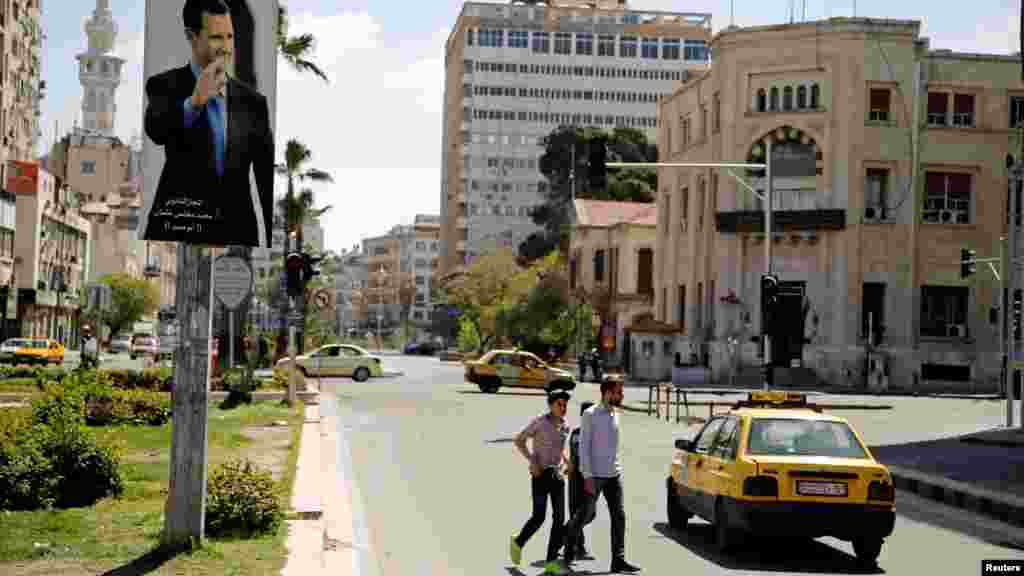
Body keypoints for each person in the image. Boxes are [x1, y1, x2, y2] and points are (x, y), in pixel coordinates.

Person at [142, 0, 274, 247]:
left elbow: (265, 177)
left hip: (236, 231)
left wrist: (267, 238)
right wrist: (194, 102)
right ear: (191, 36)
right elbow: (155, 130)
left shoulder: (253, 103)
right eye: (216, 37)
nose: (225, 47)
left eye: (229, 37)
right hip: (180, 227)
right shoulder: (164, 85)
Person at [563, 377, 640, 574]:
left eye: (621, 392)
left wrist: (617, 468)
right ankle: (568, 553)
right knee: (584, 515)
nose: (621, 396)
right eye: (618, 392)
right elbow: (584, 447)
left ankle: (618, 560)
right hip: (594, 476)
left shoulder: (616, 413)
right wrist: (587, 476)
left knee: (619, 516)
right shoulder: (590, 414)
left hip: (614, 474)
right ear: (606, 393)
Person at [510, 389, 572, 575]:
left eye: (565, 404)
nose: (563, 408)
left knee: (559, 519)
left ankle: (551, 564)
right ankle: (518, 542)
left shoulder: (565, 425)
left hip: (557, 476)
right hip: (540, 476)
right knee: (539, 517)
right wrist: (532, 460)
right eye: (559, 404)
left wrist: (566, 462)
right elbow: (519, 440)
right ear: (551, 405)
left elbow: (558, 449)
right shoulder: (540, 422)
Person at [567, 401, 595, 561]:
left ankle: (568, 536)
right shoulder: (579, 432)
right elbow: (578, 453)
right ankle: (578, 547)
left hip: (589, 478)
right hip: (577, 479)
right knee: (581, 513)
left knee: (589, 514)